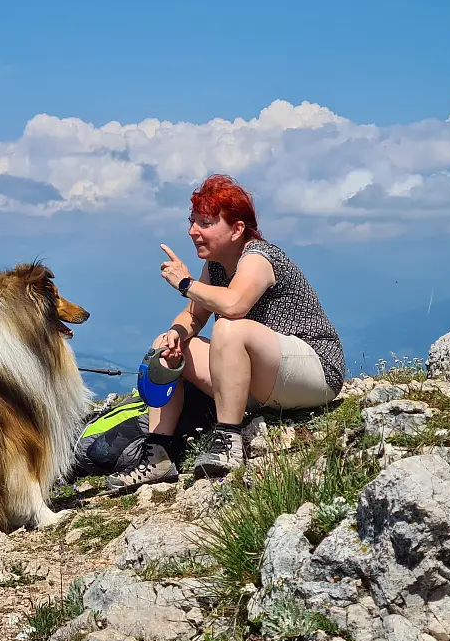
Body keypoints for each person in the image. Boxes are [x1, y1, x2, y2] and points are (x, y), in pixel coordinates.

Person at [106, 174, 346, 492]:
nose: (193, 231)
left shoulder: (259, 257)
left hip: (315, 371)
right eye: (193, 221)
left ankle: (228, 442)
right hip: (266, 379)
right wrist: (176, 333)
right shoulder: (217, 266)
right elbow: (194, 317)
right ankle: (157, 454)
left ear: (237, 229)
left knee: (229, 328)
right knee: (165, 347)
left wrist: (185, 284)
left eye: (205, 222)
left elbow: (234, 306)